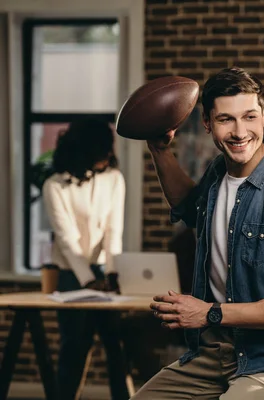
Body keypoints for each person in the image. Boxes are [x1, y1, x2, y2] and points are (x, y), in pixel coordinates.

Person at [133, 67, 264, 399]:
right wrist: (160, 150)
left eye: (249, 117)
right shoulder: (218, 173)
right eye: (226, 120)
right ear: (207, 123)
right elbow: (191, 208)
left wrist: (208, 312)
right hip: (216, 355)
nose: (240, 132)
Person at [42, 118, 128, 400]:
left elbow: (114, 231)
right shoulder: (55, 185)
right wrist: (89, 280)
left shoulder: (114, 178)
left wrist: (112, 275)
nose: (108, 156)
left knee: (117, 347)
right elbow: (66, 240)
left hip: (105, 269)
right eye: (102, 150)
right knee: (74, 348)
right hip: (70, 273)